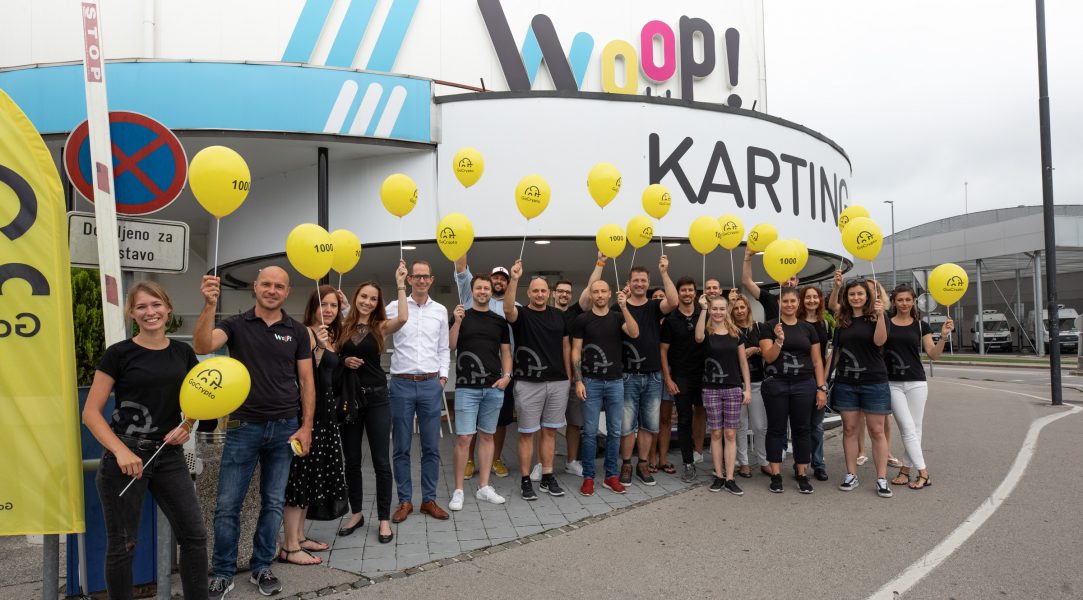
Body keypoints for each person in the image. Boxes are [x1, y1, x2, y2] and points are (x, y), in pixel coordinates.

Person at [196, 267, 315, 598]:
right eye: (267, 284)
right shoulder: (235, 324)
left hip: (285, 428)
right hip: (243, 426)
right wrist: (209, 305)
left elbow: (307, 381)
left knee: (273, 502)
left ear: (287, 292)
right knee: (227, 505)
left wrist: (306, 426)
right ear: (255, 287)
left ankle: (262, 566)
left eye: (279, 286)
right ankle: (223, 572)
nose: (272, 290)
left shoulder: (297, 331)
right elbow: (203, 344)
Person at [84, 283, 208, 600]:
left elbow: (199, 402)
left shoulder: (183, 353)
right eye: (141, 306)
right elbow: (91, 413)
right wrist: (120, 451)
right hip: (126, 456)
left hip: (169, 455)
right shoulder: (118, 354)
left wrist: (187, 425)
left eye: (156, 305)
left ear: (168, 309)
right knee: (123, 544)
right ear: (132, 312)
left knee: (194, 537)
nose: (150, 312)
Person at [336, 262, 409, 545]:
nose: (367, 301)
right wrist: (344, 360)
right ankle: (356, 513)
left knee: (381, 462)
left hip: (377, 398)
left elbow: (403, 318)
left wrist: (400, 284)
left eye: (373, 299)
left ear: (378, 304)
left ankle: (383, 519)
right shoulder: (342, 326)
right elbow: (330, 357)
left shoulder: (380, 326)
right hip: (350, 399)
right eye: (364, 296)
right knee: (352, 461)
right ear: (355, 298)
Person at [279, 285, 349, 565]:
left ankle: (299, 537)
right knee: (299, 477)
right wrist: (318, 347)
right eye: (324, 304)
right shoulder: (305, 332)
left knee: (310, 478)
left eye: (334, 305)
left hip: (326, 416)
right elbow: (306, 374)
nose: (329, 310)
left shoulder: (329, 335)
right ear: (313, 307)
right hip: (309, 414)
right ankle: (289, 545)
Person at [387, 260, 451, 524]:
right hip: (401, 384)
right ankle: (405, 500)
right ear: (410, 279)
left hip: (430, 384)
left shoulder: (440, 310)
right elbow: (371, 325)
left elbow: (443, 347)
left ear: (431, 280)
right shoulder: (394, 306)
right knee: (401, 446)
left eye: (426, 276)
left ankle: (429, 500)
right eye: (417, 276)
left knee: (431, 447)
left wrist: (443, 377)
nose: (422, 280)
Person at [505, 261, 570, 500]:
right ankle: (525, 480)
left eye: (543, 290)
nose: (540, 294)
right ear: (529, 294)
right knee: (526, 433)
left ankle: (547, 476)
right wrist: (514, 279)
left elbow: (566, 347)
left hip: (557, 382)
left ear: (549, 293)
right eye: (535, 291)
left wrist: (569, 377)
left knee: (550, 432)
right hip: (528, 383)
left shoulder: (559, 316)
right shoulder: (521, 314)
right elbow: (508, 308)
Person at [449, 274, 513, 509]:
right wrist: (456, 322)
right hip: (467, 387)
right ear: (472, 290)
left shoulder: (499, 320)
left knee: (487, 436)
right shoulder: (461, 316)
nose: (483, 291)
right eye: (479, 288)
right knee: (464, 438)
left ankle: (484, 487)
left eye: (486, 288)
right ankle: (458, 490)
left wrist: (507, 377)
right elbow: (450, 346)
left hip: (493, 387)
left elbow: (506, 352)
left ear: (491, 292)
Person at [571, 279, 640, 496]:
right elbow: (575, 351)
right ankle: (588, 477)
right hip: (590, 381)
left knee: (615, 431)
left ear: (610, 294)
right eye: (596, 292)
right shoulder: (582, 320)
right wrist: (578, 380)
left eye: (603, 291)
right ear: (591, 295)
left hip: (615, 381)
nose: (599, 295)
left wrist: (625, 307)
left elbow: (634, 332)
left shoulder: (618, 317)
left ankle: (611, 476)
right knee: (590, 432)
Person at [758, 287, 827, 495]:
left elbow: (817, 361)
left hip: (804, 384)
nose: (789, 305)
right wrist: (779, 341)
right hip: (776, 384)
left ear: (798, 303)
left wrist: (821, 388)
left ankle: (802, 474)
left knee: (802, 429)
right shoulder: (769, 327)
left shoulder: (808, 328)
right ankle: (776, 474)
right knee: (776, 429)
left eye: (793, 301)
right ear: (779, 303)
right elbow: (768, 357)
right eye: (785, 301)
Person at [830, 277, 893, 498]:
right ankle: (851, 474)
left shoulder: (877, 316)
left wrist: (880, 315)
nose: (856, 298)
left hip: (874, 381)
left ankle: (882, 478)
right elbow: (837, 352)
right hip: (846, 382)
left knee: (877, 431)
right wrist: (823, 380)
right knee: (849, 429)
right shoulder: (842, 320)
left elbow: (880, 341)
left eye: (860, 294)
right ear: (846, 297)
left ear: (868, 296)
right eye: (852, 294)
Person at [617, 257, 678, 487]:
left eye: (643, 280)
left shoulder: (654, 306)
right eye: (636, 280)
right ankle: (626, 464)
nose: (640, 284)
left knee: (649, 425)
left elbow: (673, 301)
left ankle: (642, 464)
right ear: (629, 283)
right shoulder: (618, 307)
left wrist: (664, 272)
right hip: (627, 374)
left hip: (653, 375)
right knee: (626, 426)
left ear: (648, 283)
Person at [886, 284, 953, 490]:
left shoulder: (921, 326)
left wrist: (943, 336)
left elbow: (933, 354)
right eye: (900, 300)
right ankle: (924, 472)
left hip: (916, 382)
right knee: (907, 428)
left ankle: (905, 471)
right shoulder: (885, 323)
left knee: (915, 428)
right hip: (892, 383)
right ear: (893, 302)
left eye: (908, 300)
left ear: (914, 301)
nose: (904, 303)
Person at [694, 295, 752, 495]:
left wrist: (747, 388)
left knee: (730, 433)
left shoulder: (736, 333)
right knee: (716, 433)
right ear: (710, 310)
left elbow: (743, 362)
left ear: (727, 310)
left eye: (721, 309)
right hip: (711, 388)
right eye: (714, 308)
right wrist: (703, 309)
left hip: (733, 388)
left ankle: (730, 478)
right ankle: (718, 475)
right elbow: (698, 338)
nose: (718, 312)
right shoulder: (706, 331)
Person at [660, 276, 707, 482]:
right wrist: (668, 379)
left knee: (707, 415)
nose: (687, 294)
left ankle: (706, 456)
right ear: (678, 293)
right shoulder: (670, 320)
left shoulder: (704, 313)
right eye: (683, 290)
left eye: (690, 290)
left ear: (695, 293)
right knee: (685, 419)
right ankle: (688, 463)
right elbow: (663, 351)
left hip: (705, 374)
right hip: (681, 376)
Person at [728, 290, 767, 478]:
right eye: (736, 308)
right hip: (737, 383)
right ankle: (743, 462)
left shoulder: (759, 327)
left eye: (742, 307)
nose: (739, 311)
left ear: (748, 309)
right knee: (740, 426)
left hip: (757, 382)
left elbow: (769, 351)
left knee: (760, 425)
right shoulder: (730, 330)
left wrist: (756, 349)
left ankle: (763, 461)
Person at [797, 285, 832, 482]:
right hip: (800, 379)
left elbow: (824, 355)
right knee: (801, 425)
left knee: (816, 426)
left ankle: (818, 464)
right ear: (802, 300)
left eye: (815, 297)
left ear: (820, 300)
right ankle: (801, 464)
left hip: (819, 379)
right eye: (807, 297)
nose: (811, 300)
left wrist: (823, 382)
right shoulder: (796, 322)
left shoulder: (824, 324)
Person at [554, 278, 585, 476]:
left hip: (573, 379)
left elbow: (589, 288)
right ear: (554, 293)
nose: (564, 294)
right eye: (560, 291)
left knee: (574, 422)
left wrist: (600, 263)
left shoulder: (576, 314)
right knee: (546, 424)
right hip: (550, 378)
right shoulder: (547, 313)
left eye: (567, 292)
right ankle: (542, 464)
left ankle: (572, 461)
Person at [742, 246, 800, 322]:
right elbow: (747, 281)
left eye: (792, 279)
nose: (788, 281)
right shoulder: (770, 299)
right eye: (785, 278)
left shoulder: (805, 301)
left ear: (797, 281)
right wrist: (748, 257)